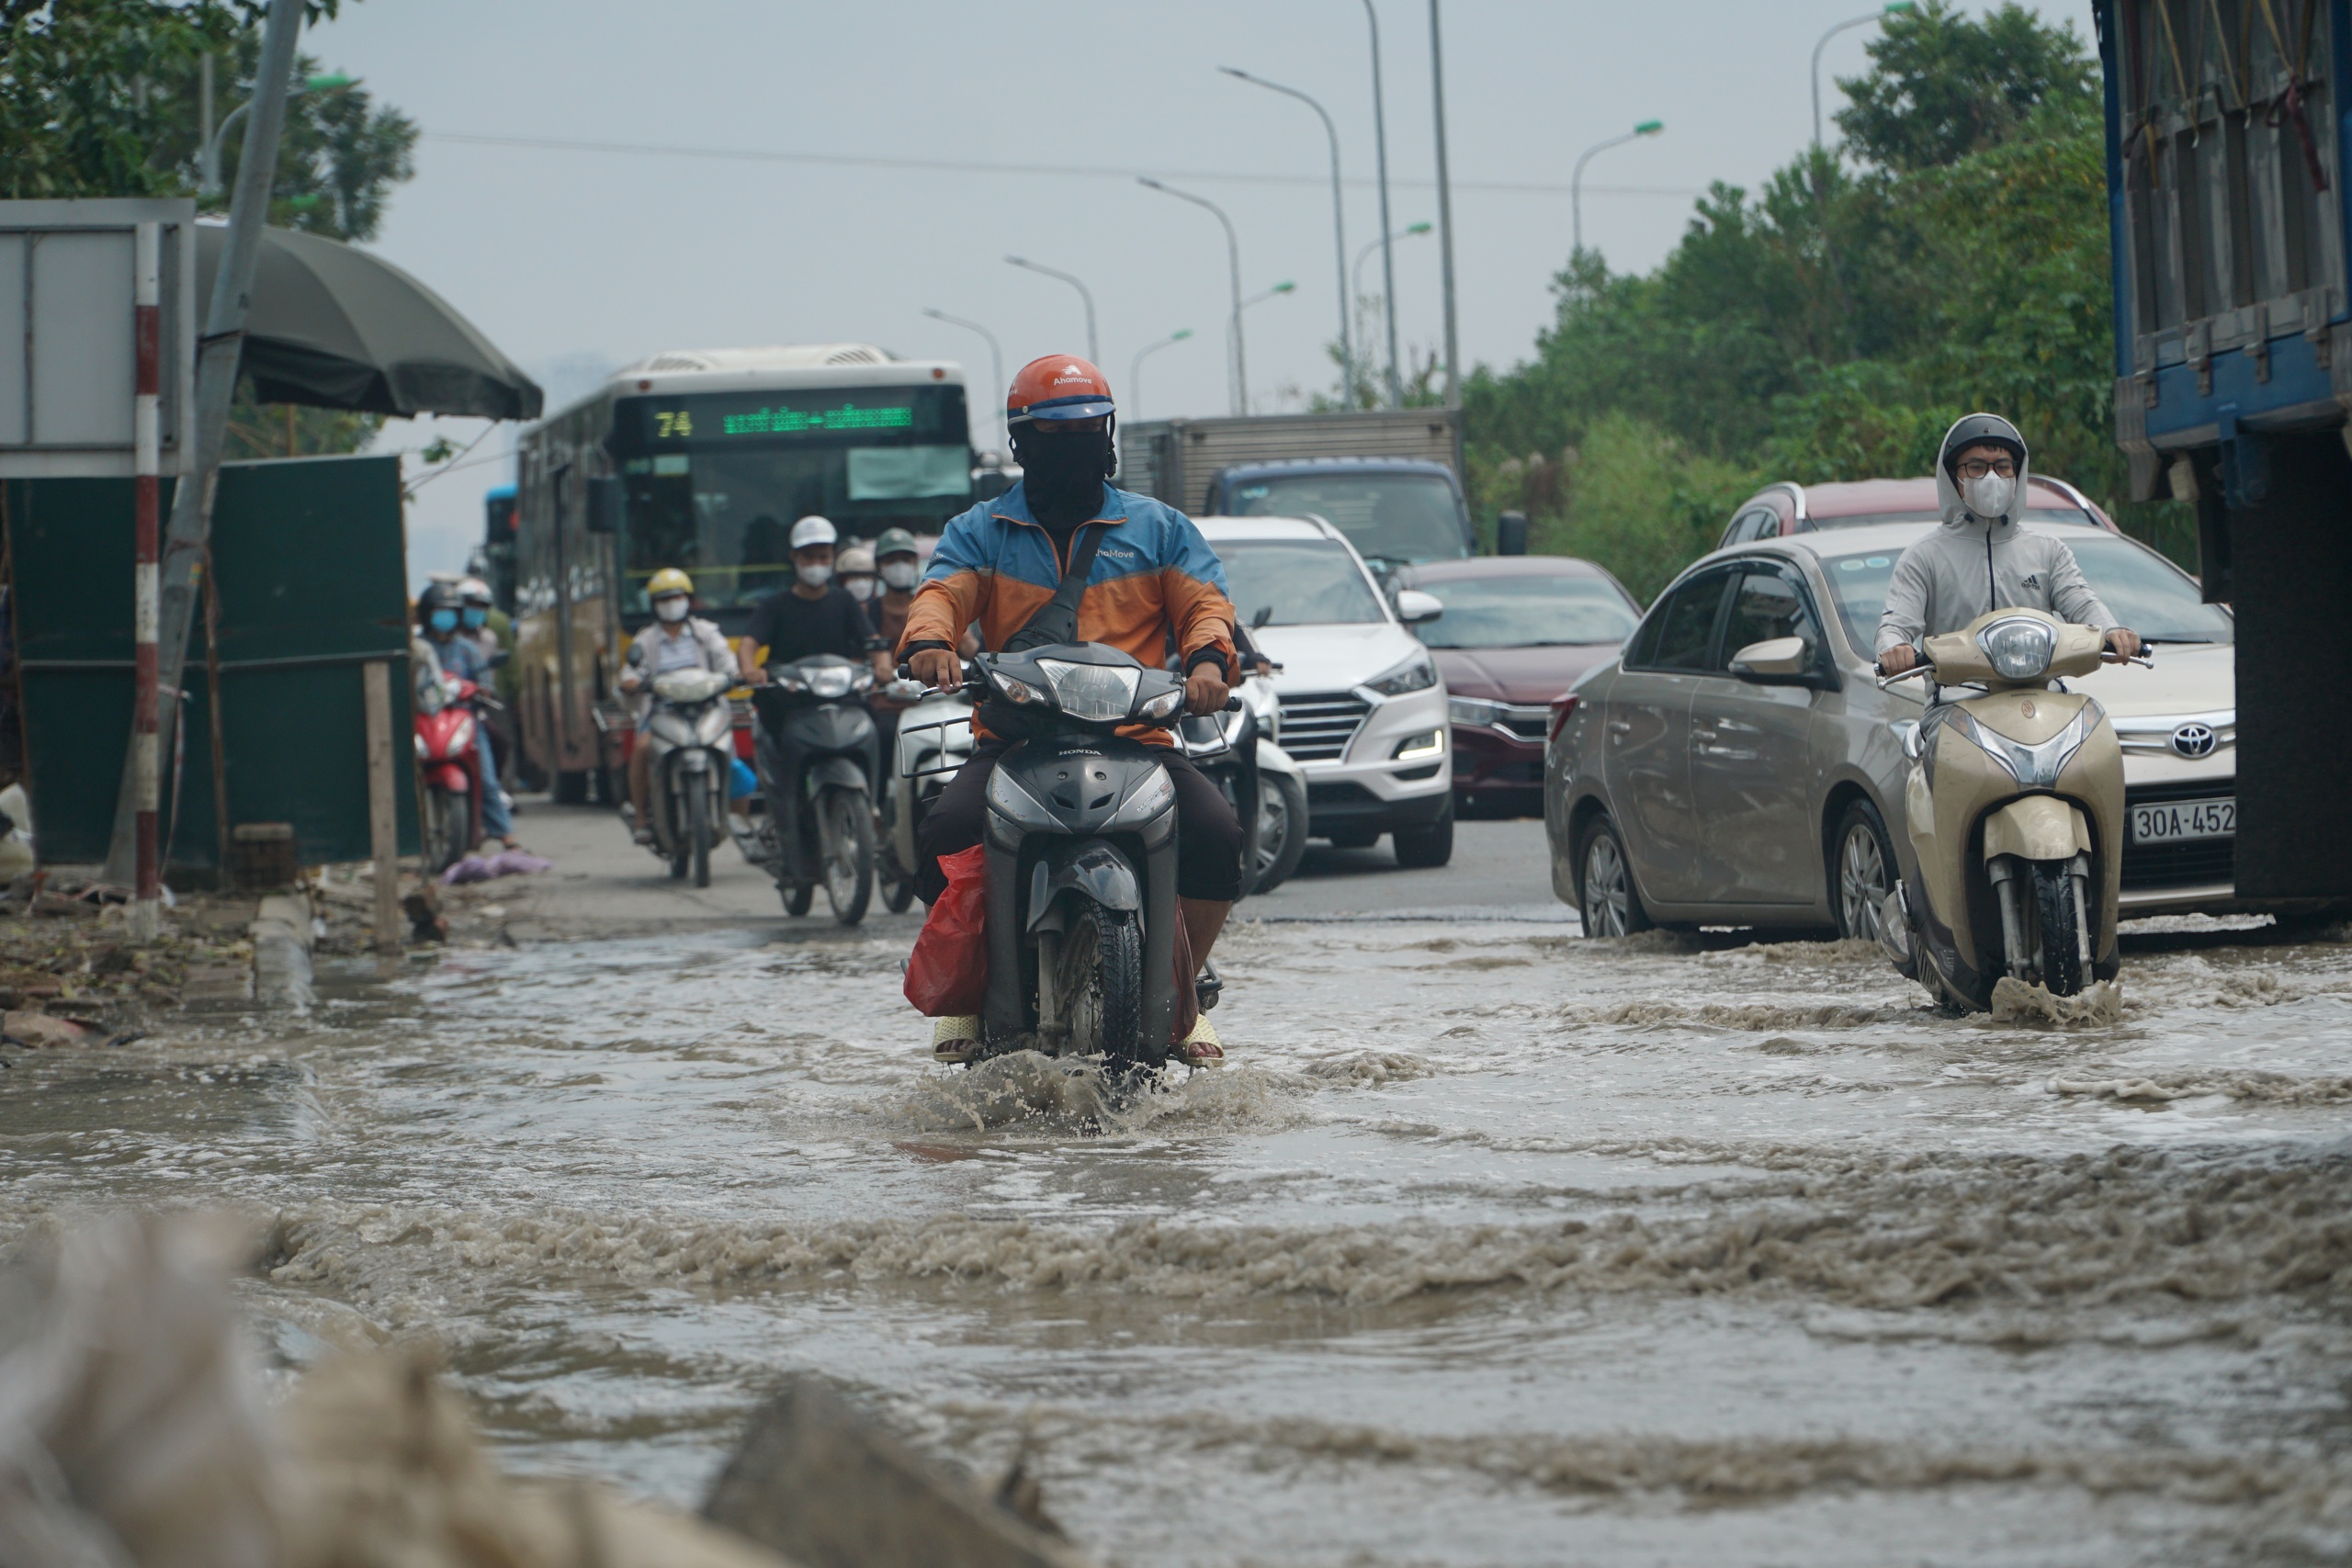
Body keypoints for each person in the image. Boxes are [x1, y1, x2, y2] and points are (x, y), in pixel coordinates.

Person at [900, 354, 1240, 1066]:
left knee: (1215, 831)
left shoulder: (1159, 528)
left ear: (1108, 434)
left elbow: (1205, 603)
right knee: (944, 833)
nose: (1077, 446)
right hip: (1018, 741)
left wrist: (1209, 659)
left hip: (1138, 739)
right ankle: (967, 992)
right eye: (1058, 435)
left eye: (1089, 431)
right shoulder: (981, 530)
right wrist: (931, 642)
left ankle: (1183, 998)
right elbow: (941, 593)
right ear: (1022, 443)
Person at [1877, 414, 2142, 676]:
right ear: (1951, 477)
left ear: (2018, 473)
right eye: (1977, 467)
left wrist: (2111, 630)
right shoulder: (1924, 556)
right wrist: (1895, 648)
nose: (1992, 477)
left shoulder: (2048, 551)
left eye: (2003, 467)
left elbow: (2083, 603)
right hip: (1955, 702)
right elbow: (1894, 626)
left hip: (2041, 699)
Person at [619, 568, 735, 845]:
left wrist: (732, 675)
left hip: (705, 710)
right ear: (654, 605)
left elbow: (726, 662)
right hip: (663, 712)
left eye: (677, 597)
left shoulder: (706, 633)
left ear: (689, 600)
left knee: (729, 752)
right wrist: (631, 681)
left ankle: (734, 815)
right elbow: (630, 673)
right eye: (663, 599)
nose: (671, 604)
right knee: (643, 747)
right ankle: (640, 818)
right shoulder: (645, 640)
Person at [417, 581, 520, 851]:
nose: (446, 618)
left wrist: (483, 691)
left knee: (486, 777)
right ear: (427, 615)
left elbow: (486, 681)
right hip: (426, 719)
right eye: (440, 612)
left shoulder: (468, 650)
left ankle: (505, 833)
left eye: (450, 612)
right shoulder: (417, 648)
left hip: (464, 719)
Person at [736, 516, 891, 686]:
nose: (816, 563)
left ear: (833, 556)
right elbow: (748, 645)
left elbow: (874, 642)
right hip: (789, 699)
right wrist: (749, 671)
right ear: (794, 556)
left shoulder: (844, 601)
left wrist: (883, 665)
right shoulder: (773, 606)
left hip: (840, 695)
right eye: (808, 557)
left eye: (823, 557)